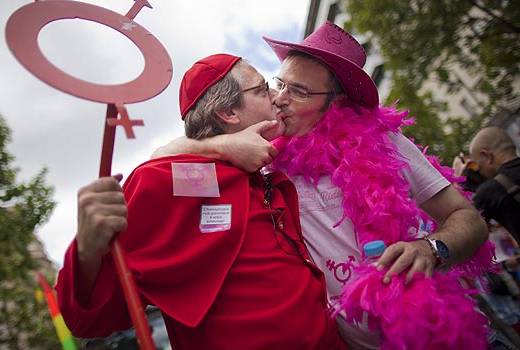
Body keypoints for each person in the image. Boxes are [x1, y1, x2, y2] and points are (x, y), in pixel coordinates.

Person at [153, 21, 494, 349]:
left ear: (336, 102)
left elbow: (469, 219)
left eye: (298, 91)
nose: (280, 98)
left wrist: (432, 249)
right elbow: (162, 159)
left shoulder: (385, 144)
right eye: (279, 83)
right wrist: (218, 146)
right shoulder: (261, 161)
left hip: (436, 335)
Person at [55, 54, 345, 350]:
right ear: (228, 112)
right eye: (262, 89)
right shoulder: (176, 180)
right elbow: (88, 319)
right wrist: (87, 250)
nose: (277, 97)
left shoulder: (273, 170)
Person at [467, 126, 520, 242]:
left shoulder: (491, 190)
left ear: (486, 156)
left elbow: (464, 229)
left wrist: (457, 179)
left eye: (477, 164)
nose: (478, 170)